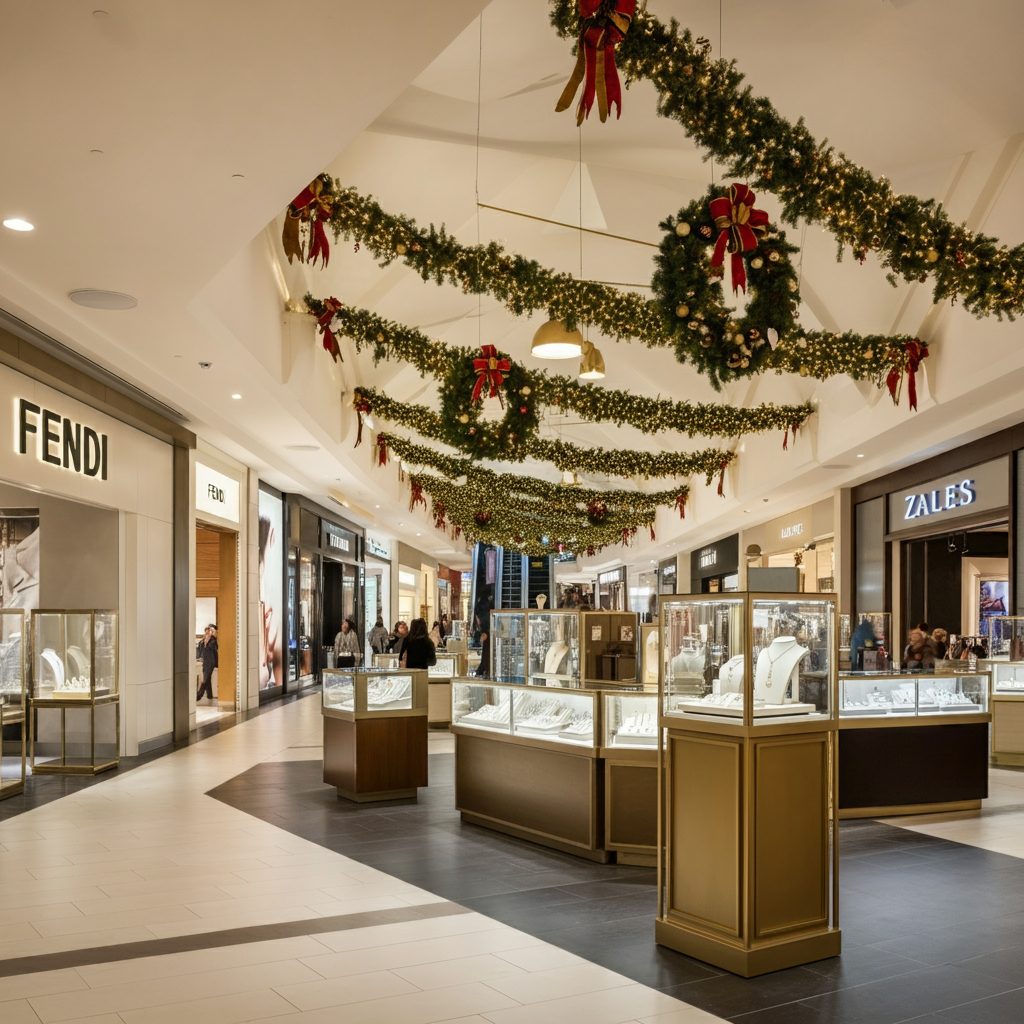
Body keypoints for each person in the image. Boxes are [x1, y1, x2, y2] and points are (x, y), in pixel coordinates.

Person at [196, 624, 218, 702]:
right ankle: (209, 695)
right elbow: (199, 651)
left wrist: (209, 639)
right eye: (206, 632)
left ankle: (198, 696)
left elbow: (214, 648)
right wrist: (203, 642)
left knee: (205, 679)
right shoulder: (203, 640)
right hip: (205, 662)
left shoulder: (213, 640)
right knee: (207, 678)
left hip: (211, 662)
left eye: (209, 632)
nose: (207, 633)